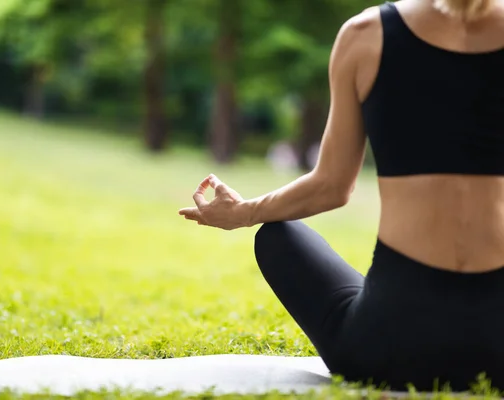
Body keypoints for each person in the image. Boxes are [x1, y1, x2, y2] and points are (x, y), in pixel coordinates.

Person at [179, 0, 504, 392]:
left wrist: (244, 212)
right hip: (498, 352)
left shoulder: (366, 34)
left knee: (279, 236)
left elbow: (331, 186)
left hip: (388, 350)